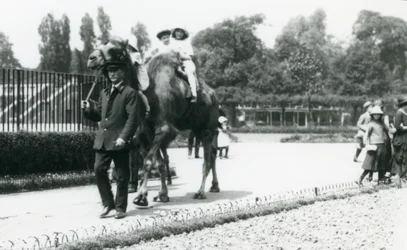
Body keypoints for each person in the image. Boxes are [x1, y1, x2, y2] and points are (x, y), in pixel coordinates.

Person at [81, 47, 138, 219]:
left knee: (122, 176)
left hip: (119, 141)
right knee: (99, 170)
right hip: (103, 140)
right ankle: (108, 203)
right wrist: (88, 110)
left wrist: (124, 137)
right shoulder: (105, 93)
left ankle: (120, 207)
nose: (112, 74)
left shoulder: (129, 93)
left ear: (122, 72)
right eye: (110, 71)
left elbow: (132, 119)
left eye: (116, 71)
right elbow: (99, 115)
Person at [357, 106, 389, 186]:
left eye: (378, 114)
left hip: (382, 145)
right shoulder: (371, 124)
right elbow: (366, 135)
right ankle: (360, 179)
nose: (377, 116)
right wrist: (367, 144)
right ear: (372, 115)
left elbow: (388, 130)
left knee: (382, 163)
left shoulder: (382, 124)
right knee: (370, 164)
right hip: (374, 146)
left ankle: (380, 180)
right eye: (375, 114)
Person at [170, 27, 198, 102]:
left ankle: (194, 94)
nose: (179, 33)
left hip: (186, 61)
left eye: (181, 32)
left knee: (189, 72)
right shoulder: (171, 42)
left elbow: (190, 56)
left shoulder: (186, 43)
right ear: (174, 32)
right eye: (177, 31)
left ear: (184, 33)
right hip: (173, 62)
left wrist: (181, 56)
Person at [126, 35, 151, 118]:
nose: (128, 48)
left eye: (129, 46)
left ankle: (147, 108)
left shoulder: (136, 54)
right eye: (127, 46)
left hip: (138, 74)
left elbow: (133, 64)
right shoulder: (127, 54)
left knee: (139, 92)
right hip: (131, 75)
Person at [391, 97, 407, 188]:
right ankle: (400, 179)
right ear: (404, 105)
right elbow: (397, 127)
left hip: (405, 138)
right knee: (400, 158)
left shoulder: (405, 113)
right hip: (400, 139)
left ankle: (402, 178)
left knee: (405, 158)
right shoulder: (399, 113)